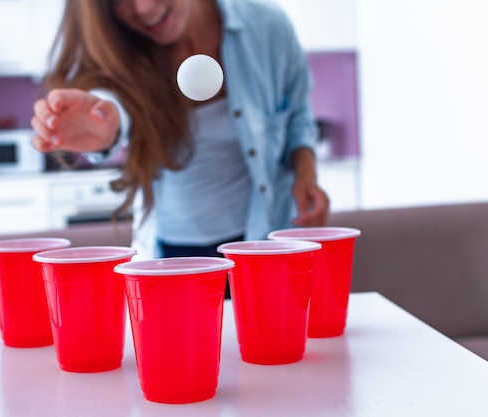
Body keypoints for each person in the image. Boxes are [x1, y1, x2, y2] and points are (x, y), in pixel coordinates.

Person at [31, 0, 330, 278]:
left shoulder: (268, 27)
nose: (143, 8)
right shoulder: (122, 55)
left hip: (263, 242)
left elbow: (297, 113)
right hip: (173, 255)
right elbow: (115, 108)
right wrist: (105, 125)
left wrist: (306, 174)